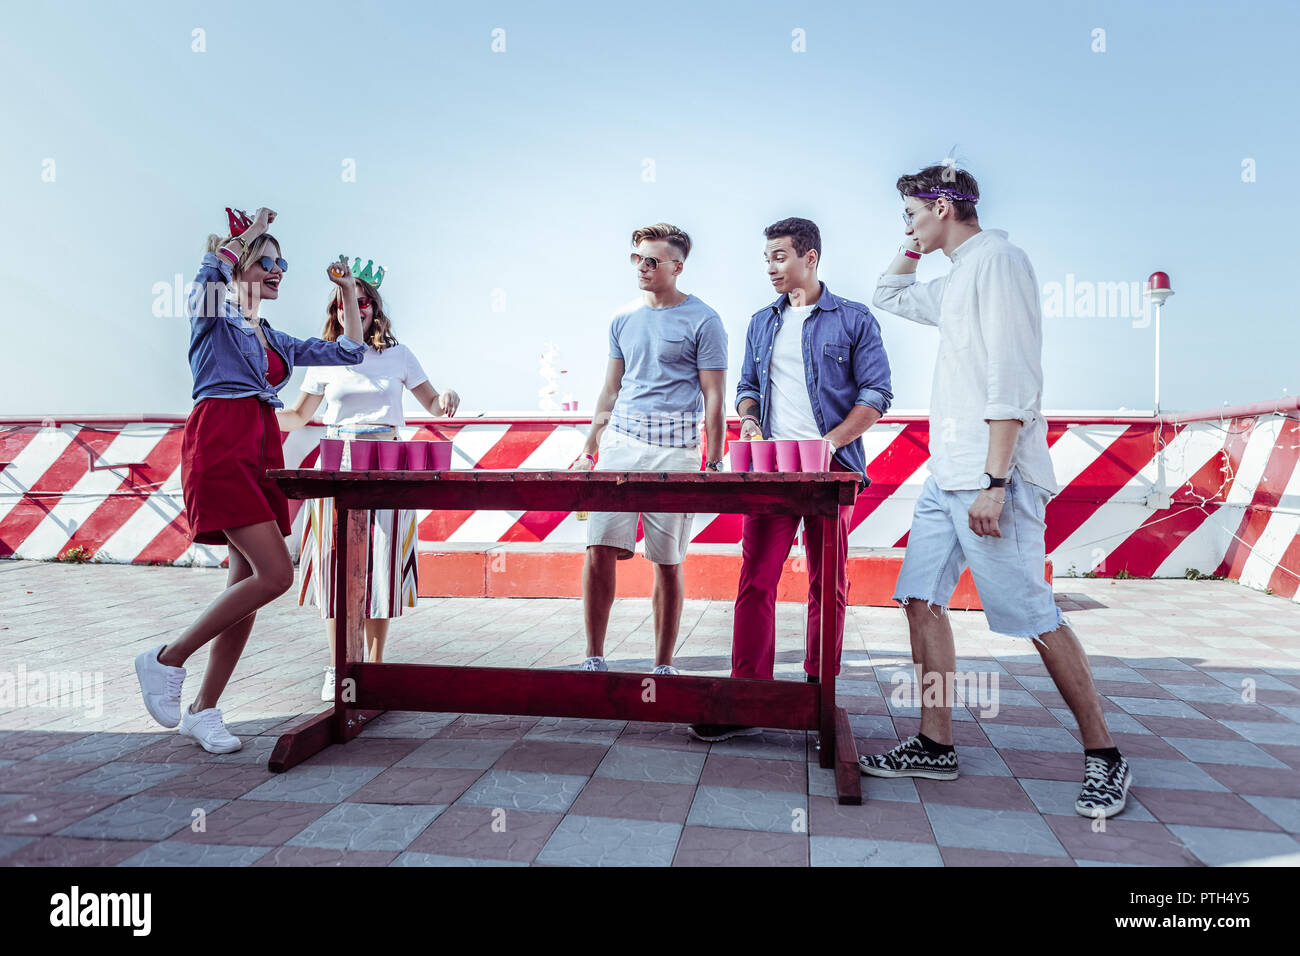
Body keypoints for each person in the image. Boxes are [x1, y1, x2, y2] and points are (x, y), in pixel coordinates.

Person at [864, 165, 1132, 818]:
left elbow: (1012, 372)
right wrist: (912, 243)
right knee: (920, 600)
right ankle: (935, 743)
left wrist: (996, 481)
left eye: (913, 214)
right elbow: (889, 294)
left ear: (946, 206)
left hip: (990, 479)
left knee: (1033, 617)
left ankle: (1106, 756)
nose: (907, 225)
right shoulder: (954, 276)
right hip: (945, 475)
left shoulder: (1000, 260)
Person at [133, 207, 366, 754]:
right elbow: (208, 277)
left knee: (247, 588)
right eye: (267, 260)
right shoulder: (213, 314)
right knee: (277, 575)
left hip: (261, 445)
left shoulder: (274, 336)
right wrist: (246, 235)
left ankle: (204, 711)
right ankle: (166, 659)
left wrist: (350, 290)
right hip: (220, 439)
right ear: (240, 265)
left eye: (282, 261)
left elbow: (350, 351)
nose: (278, 268)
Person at [688, 217, 893, 742]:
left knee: (830, 583)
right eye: (767, 259)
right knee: (755, 580)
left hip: (832, 473)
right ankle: (747, 693)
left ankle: (817, 689)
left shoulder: (853, 319)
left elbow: (876, 396)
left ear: (811, 257)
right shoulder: (761, 321)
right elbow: (747, 387)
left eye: (780, 256)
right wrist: (750, 419)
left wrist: (831, 443)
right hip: (771, 473)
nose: (771, 268)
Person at [277, 258, 461, 700]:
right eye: (344, 304)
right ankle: (337, 665)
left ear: (374, 309)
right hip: (336, 461)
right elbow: (300, 415)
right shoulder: (324, 359)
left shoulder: (398, 355)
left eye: (361, 302)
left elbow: (434, 405)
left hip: (387, 461)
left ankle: (374, 669)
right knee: (333, 565)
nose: (352, 310)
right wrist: (252, 414)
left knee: (383, 565)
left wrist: (448, 397)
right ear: (336, 311)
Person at [570, 223, 727, 675]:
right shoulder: (623, 318)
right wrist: (590, 446)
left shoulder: (705, 319)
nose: (643, 266)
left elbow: (714, 396)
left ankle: (663, 665)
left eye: (653, 260)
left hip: (676, 450)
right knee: (598, 547)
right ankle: (593, 657)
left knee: (667, 560)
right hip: (620, 444)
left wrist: (712, 461)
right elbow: (610, 389)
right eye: (637, 257)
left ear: (678, 267)